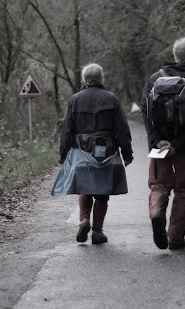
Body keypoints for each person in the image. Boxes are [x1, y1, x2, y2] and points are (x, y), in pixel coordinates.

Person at [54, 63, 134, 244]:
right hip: (107, 152)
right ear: (101, 78)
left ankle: (84, 220)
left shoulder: (75, 99)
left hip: (82, 152)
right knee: (102, 192)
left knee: (85, 187)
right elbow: (122, 129)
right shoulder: (111, 99)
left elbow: (67, 129)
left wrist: (63, 154)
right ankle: (97, 232)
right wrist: (127, 154)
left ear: (84, 79)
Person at [141, 37, 185, 250]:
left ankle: (157, 213)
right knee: (183, 190)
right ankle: (176, 236)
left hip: (159, 146)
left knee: (159, 185)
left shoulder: (155, 78)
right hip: (184, 147)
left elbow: (144, 110)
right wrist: (176, 143)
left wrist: (156, 140)